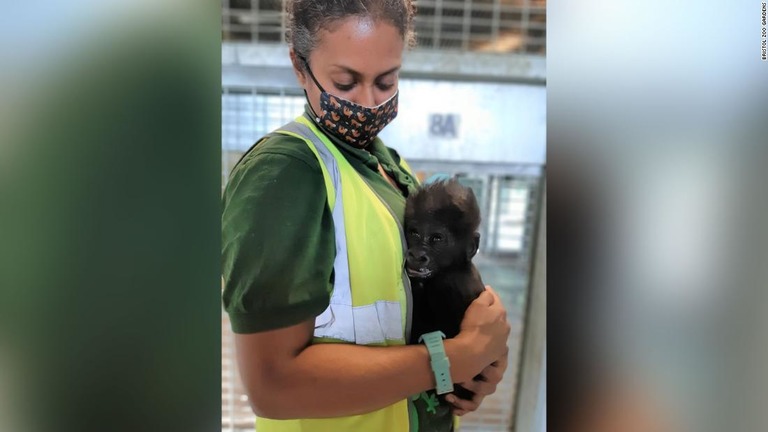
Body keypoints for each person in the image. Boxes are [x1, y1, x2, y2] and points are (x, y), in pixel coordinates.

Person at [221, 1, 510, 431]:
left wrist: (484, 351)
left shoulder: (390, 167)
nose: (368, 103)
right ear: (300, 67)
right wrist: (451, 360)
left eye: (386, 81)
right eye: (346, 81)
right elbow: (273, 386)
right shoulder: (284, 173)